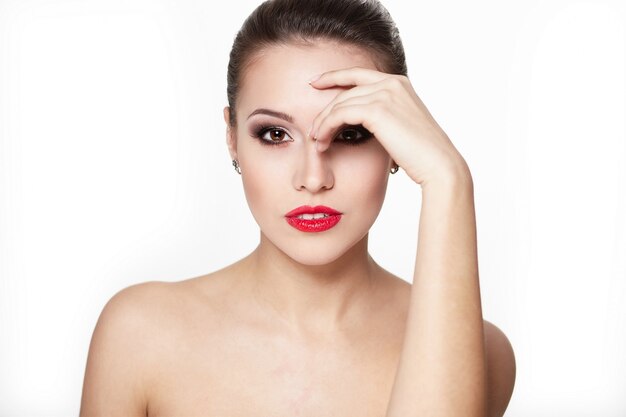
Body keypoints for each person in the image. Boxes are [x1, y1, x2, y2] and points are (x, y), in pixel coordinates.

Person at [80, 0, 516, 415]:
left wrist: (448, 180)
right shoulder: (139, 335)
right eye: (274, 135)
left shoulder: (480, 352)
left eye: (350, 134)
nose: (312, 177)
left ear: (397, 143)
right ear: (232, 138)